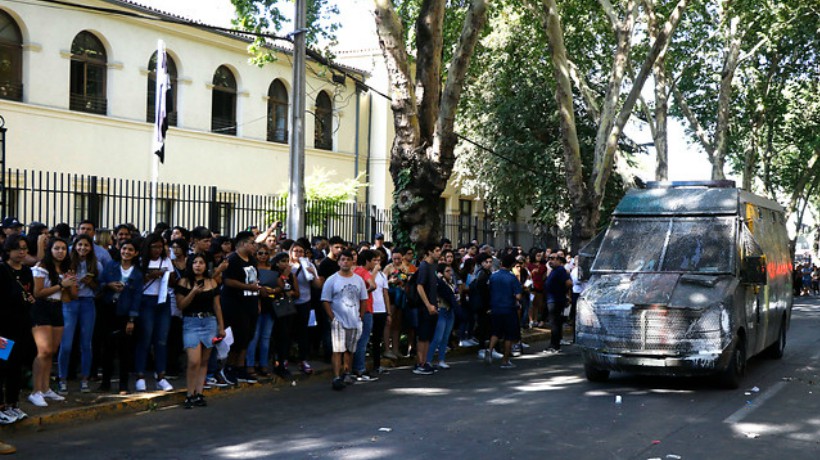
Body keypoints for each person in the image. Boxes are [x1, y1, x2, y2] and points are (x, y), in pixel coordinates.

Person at [29, 237, 76, 407]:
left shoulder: (66, 269)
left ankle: (46, 387)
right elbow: (38, 292)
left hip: (57, 308)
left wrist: (70, 285)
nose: (61, 252)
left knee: (52, 351)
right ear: (50, 250)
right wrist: (61, 285)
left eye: (63, 248)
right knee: (44, 351)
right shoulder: (42, 267)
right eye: (57, 248)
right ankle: (36, 391)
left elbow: (71, 297)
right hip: (42, 308)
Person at [175, 253, 225, 409]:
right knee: (193, 361)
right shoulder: (183, 282)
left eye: (201, 262)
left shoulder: (212, 283)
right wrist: (193, 292)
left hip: (209, 322)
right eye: (195, 262)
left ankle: (199, 393)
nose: (198, 265)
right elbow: (181, 305)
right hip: (191, 322)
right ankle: (189, 394)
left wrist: (221, 327)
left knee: (204, 361)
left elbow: (217, 306)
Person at [57, 234, 102, 394]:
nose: (83, 248)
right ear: (75, 246)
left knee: (86, 344)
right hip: (70, 303)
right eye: (80, 245)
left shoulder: (96, 264)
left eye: (86, 245)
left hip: (88, 303)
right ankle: (62, 378)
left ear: (91, 248)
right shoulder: (67, 263)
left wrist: (92, 282)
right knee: (66, 344)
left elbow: (100, 289)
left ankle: (85, 379)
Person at [99, 240, 143, 393]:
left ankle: (123, 385)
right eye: (124, 248)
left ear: (135, 253)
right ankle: (105, 383)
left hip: (125, 313)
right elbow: (100, 282)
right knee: (107, 348)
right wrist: (109, 285)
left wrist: (132, 319)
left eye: (131, 249)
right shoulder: (111, 266)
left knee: (125, 350)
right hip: (108, 310)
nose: (126, 252)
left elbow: (137, 297)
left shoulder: (137, 273)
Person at [321, 250, 368, 391]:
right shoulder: (332, 280)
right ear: (338, 262)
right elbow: (325, 300)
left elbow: (363, 299)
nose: (345, 262)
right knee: (337, 349)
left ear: (353, 261)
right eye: (343, 259)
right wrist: (333, 318)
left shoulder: (358, 279)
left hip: (354, 320)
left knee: (350, 349)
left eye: (348, 259)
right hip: (339, 320)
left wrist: (361, 316)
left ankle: (347, 373)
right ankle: (336, 376)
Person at [0, 235, 34, 424]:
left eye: (24, 248)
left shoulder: (27, 272)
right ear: (8, 250)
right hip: (4, 328)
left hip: (21, 326)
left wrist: (30, 300)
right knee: (1, 367)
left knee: (16, 367)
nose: (22, 252)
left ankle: (13, 404)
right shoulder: (2, 271)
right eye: (18, 248)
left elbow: (30, 293)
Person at [134, 234, 174, 392]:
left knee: (161, 340)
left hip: (163, 300)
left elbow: (172, 281)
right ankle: (140, 375)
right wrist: (150, 275)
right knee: (145, 338)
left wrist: (167, 275)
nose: (157, 250)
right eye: (154, 247)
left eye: (160, 247)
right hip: (146, 300)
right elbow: (136, 282)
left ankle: (161, 376)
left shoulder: (166, 260)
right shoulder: (141, 261)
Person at [220, 231, 262, 384]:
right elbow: (228, 281)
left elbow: (255, 281)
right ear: (243, 244)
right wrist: (247, 286)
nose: (254, 246)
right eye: (252, 243)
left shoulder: (252, 260)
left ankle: (240, 367)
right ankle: (229, 367)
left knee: (247, 336)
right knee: (237, 337)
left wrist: (257, 301)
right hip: (235, 304)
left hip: (250, 302)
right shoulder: (232, 259)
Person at [289, 240, 321, 375]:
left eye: (301, 251)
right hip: (289, 303)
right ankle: (284, 358)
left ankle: (303, 359)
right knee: (287, 332)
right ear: (290, 252)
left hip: (304, 302)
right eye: (295, 251)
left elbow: (318, 285)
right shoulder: (287, 265)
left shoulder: (309, 265)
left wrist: (312, 274)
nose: (298, 254)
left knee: (303, 332)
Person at [485, 253, 523, 368]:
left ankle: (490, 350)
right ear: (512, 265)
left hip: (496, 307)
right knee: (509, 335)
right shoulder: (512, 278)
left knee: (496, 332)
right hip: (509, 309)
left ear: (501, 263)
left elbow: (489, 289)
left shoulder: (493, 276)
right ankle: (505, 360)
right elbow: (518, 296)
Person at [413, 243, 441, 375]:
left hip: (433, 306)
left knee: (428, 336)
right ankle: (420, 363)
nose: (439, 253)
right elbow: (420, 286)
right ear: (429, 252)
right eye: (436, 250)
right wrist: (428, 304)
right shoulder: (424, 266)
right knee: (423, 336)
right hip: (425, 308)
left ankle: (425, 362)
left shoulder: (433, 266)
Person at [352, 249, 379, 381]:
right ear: (368, 261)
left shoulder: (354, 271)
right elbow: (373, 285)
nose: (375, 263)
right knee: (363, 340)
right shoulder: (364, 272)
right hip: (366, 308)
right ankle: (360, 369)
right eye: (373, 260)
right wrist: (366, 292)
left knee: (355, 340)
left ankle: (354, 368)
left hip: (355, 309)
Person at [427, 262, 459, 369]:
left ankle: (441, 359)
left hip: (450, 311)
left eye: (451, 271)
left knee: (445, 337)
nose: (450, 273)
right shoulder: (439, 283)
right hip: (442, 310)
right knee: (438, 337)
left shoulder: (451, 283)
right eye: (447, 271)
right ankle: (428, 360)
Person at [544, 252, 572, 353]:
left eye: (553, 258)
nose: (550, 260)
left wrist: (563, 292)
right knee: (555, 323)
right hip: (552, 299)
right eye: (549, 258)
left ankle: (555, 345)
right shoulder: (554, 270)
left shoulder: (560, 270)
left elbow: (569, 283)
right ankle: (555, 343)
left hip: (555, 300)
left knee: (554, 323)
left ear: (559, 260)